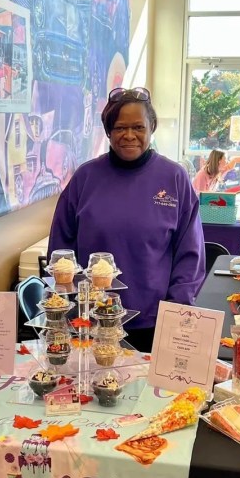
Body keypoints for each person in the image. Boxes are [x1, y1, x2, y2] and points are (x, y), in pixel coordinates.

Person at [47, 86, 205, 352]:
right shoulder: (85, 179)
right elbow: (60, 252)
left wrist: (177, 312)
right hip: (91, 321)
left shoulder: (174, 178)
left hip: (154, 323)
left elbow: (191, 254)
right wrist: (68, 305)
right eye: (120, 128)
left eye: (138, 127)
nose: (129, 135)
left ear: (151, 127)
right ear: (108, 131)